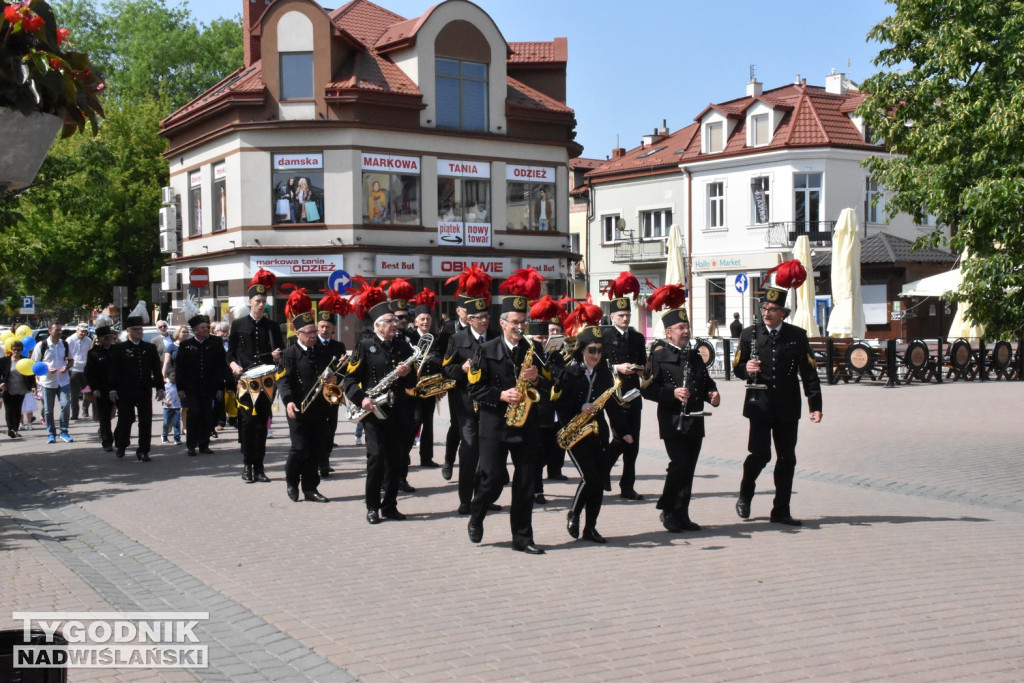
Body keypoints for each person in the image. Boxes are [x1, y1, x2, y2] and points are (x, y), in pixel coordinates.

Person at [732, 264, 822, 526]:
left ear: (783, 312)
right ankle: (745, 494)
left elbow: (809, 372)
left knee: (787, 459)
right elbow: (737, 367)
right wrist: (745, 370)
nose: (767, 313)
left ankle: (781, 509)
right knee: (759, 455)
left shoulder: (797, 336)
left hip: (787, 406)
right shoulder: (750, 334)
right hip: (759, 405)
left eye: (772, 310)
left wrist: (814, 403)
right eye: (764, 309)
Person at [466, 294, 549, 555]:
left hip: (526, 426)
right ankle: (477, 514)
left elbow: (551, 386)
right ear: (502, 322)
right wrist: (500, 395)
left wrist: (536, 380)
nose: (520, 327)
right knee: (491, 481)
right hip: (494, 426)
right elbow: (473, 388)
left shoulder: (533, 350)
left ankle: (522, 538)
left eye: (523, 322)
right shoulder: (485, 350)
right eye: (515, 322)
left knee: (525, 484)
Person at [641, 299, 720, 532]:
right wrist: (671, 393)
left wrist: (712, 395)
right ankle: (668, 509)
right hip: (672, 419)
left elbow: (707, 382)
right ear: (668, 333)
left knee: (689, 468)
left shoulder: (695, 356)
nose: (686, 331)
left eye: (687, 327)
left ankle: (682, 514)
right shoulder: (658, 356)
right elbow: (647, 389)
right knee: (679, 463)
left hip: (695, 418)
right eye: (681, 328)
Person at [342, 295, 418, 524]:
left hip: (399, 412)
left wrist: (407, 374)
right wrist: (362, 399)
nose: (395, 324)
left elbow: (412, 383)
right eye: (390, 321)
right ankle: (372, 506)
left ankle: (390, 505)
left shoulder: (404, 346)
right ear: (378, 325)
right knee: (376, 459)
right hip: (374, 411)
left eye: (396, 320)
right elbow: (349, 380)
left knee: (397, 461)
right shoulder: (364, 346)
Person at [554, 326, 614, 542]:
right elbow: (559, 404)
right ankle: (574, 513)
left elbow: (612, 406)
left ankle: (590, 528)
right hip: (576, 431)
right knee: (589, 477)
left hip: (598, 433)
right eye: (592, 350)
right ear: (581, 350)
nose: (596, 355)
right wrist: (580, 406)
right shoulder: (569, 372)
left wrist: (623, 431)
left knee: (598, 482)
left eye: (599, 350)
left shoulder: (604, 372)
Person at [228, 269, 285, 482]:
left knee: (262, 426)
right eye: (258, 301)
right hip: (245, 381)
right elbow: (230, 354)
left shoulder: (272, 326)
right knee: (247, 425)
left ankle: (259, 467)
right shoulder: (239, 324)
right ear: (250, 302)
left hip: (266, 383)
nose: (261, 304)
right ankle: (247, 465)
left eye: (264, 301)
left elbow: (282, 353)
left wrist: (278, 356)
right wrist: (233, 365)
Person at [441, 295, 493, 514]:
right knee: (469, 451)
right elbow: (446, 368)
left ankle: (483, 497)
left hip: (490, 405)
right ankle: (465, 499)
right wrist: (461, 369)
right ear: (469, 319)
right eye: (479, 317)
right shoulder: (457, 338)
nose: (484, 321)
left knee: (488, 454)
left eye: (487, 317)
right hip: (465, 406)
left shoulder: (496, 338)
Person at [279, 295, 331, 503]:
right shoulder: (290, 353)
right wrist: (288, 401)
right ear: (299, 334)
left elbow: (329, 374)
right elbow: (283, 380)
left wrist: (333, 379)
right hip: (298, 408)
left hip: (319, 408)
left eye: (314, 332)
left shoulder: (321, 351)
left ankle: (310, 489)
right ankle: (292, 481)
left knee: (316, 449)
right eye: (309, 333)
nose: (313, 336)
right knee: (300, 448)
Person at [600, 273, 647, 500]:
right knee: (620, 439)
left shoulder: (637, 337)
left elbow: (644, 362)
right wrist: (617, 367)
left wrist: (639, 369)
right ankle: (603, 471)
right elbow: (598, 363)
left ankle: (627, 486)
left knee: (633, 445)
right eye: (621, 315)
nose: (625, 319)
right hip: (614, 394)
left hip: (633, 393)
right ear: (612, 316)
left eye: (627, 315)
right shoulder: (604, 336)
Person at [109, 314, 165, 460]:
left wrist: (160, 388)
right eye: (135, 330)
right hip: (125, 390)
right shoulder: (119, 348)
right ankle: (121, 444)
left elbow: (156, 370)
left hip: (144, 389)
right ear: (128, 331)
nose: (139, 332)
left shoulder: (149, 347)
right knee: (125, 419)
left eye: (140, 329)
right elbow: (113, 371)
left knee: (145, 421)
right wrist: (112, 389)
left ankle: (143, 450)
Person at [175, 308, 227, 457]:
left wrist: (220, 387)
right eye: (203, 328)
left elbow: (220, 366)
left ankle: (204, 444)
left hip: (209, 386)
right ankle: (191, 445)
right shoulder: (186, 345)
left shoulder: (215, 342)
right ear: (195, 330)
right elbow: (180, 368)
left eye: (207, 327)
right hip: (191, 387)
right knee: (194, 413)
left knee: (207, 415)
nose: (206, 330)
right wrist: (180, 387)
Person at [313, 291, 348, 478]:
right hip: (316, 392)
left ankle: (325, 458)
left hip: (333, 393)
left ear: (333, 329)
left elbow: (344, 371)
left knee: (331, 427)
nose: (324, 330)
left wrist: (339, 378)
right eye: (321, 326)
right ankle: (320, 461)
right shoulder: (312, 344)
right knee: (318, 427)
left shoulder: (339, 346)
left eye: (328, 327)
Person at [439, 294, 471, 481]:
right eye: (467, 311)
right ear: (458, 311)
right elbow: (441, 353)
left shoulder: (483, 329)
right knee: (457, 424)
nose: (471, 315)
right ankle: (449, 460)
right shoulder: (449, 328)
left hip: (476, 384)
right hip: (455, 382)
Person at [407, 304, 442, 468]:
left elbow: (441, 360)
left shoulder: (436, 337)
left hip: (430, 387)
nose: (425, 321)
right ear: (415, 321)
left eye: (428, 319)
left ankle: (426, 457)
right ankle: (403, 454)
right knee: (415, 420)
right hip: (413, 388)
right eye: (422, 319)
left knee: (428, 422)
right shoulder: (409, 337)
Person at [32, 323, 74, 444]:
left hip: (63, 381)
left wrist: (66, 367)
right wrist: (46, 369)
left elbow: (71, 360)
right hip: (48, 382)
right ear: (50, 331)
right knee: (48, 410)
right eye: (57, 330)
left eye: (60, 330)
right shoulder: (42, 345)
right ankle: (51, 434)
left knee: (65, 406)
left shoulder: (64, 344)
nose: (59, 332)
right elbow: (34, 364)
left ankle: (64, 431)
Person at [85, 319, 117, 452]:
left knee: (127, 416)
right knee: (104, 417)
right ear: (99, 339)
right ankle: (107, 441)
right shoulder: (93, 353)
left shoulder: (117, 350)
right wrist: (94, 388)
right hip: (102, 389)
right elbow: (89, 373)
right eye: (106, 337)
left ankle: (120, 437)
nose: (109, 339)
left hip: (119, 388)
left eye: (110, 337)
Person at [1, 340, 35, 438]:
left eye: (19, 350)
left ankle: (15, 429)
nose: (16, 352)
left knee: (17, 410)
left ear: (21, 350)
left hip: (21, 389)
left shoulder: (25, 361)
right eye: (15, 349)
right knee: (9, 410)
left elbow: (31, 375)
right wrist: (1, 383)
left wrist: (33, 386)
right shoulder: (4, 361)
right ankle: (10, 429)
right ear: (11, 350)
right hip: (8, 389)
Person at [67, 322, 92, 420]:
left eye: (85, 331)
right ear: (77, 330)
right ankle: (75, 413)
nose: (83, 333)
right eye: (81, 331)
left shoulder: (88, 340)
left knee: (88, 390)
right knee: (74, 393)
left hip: (85, 369)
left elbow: (90, 353)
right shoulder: (70, 340)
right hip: (74, 369)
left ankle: (85, 408)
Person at [162, 370, 182, 445]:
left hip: (176, 407)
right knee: (166, 423)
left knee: (177, 423)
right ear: (168, 377)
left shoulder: (179, 386)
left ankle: (177, 438)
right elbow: (161, 397)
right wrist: (165, 401)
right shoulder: (166, 386)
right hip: (167, 408)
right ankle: (164, 435)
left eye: (175, 376)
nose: (174, 377)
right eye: (172, 376)